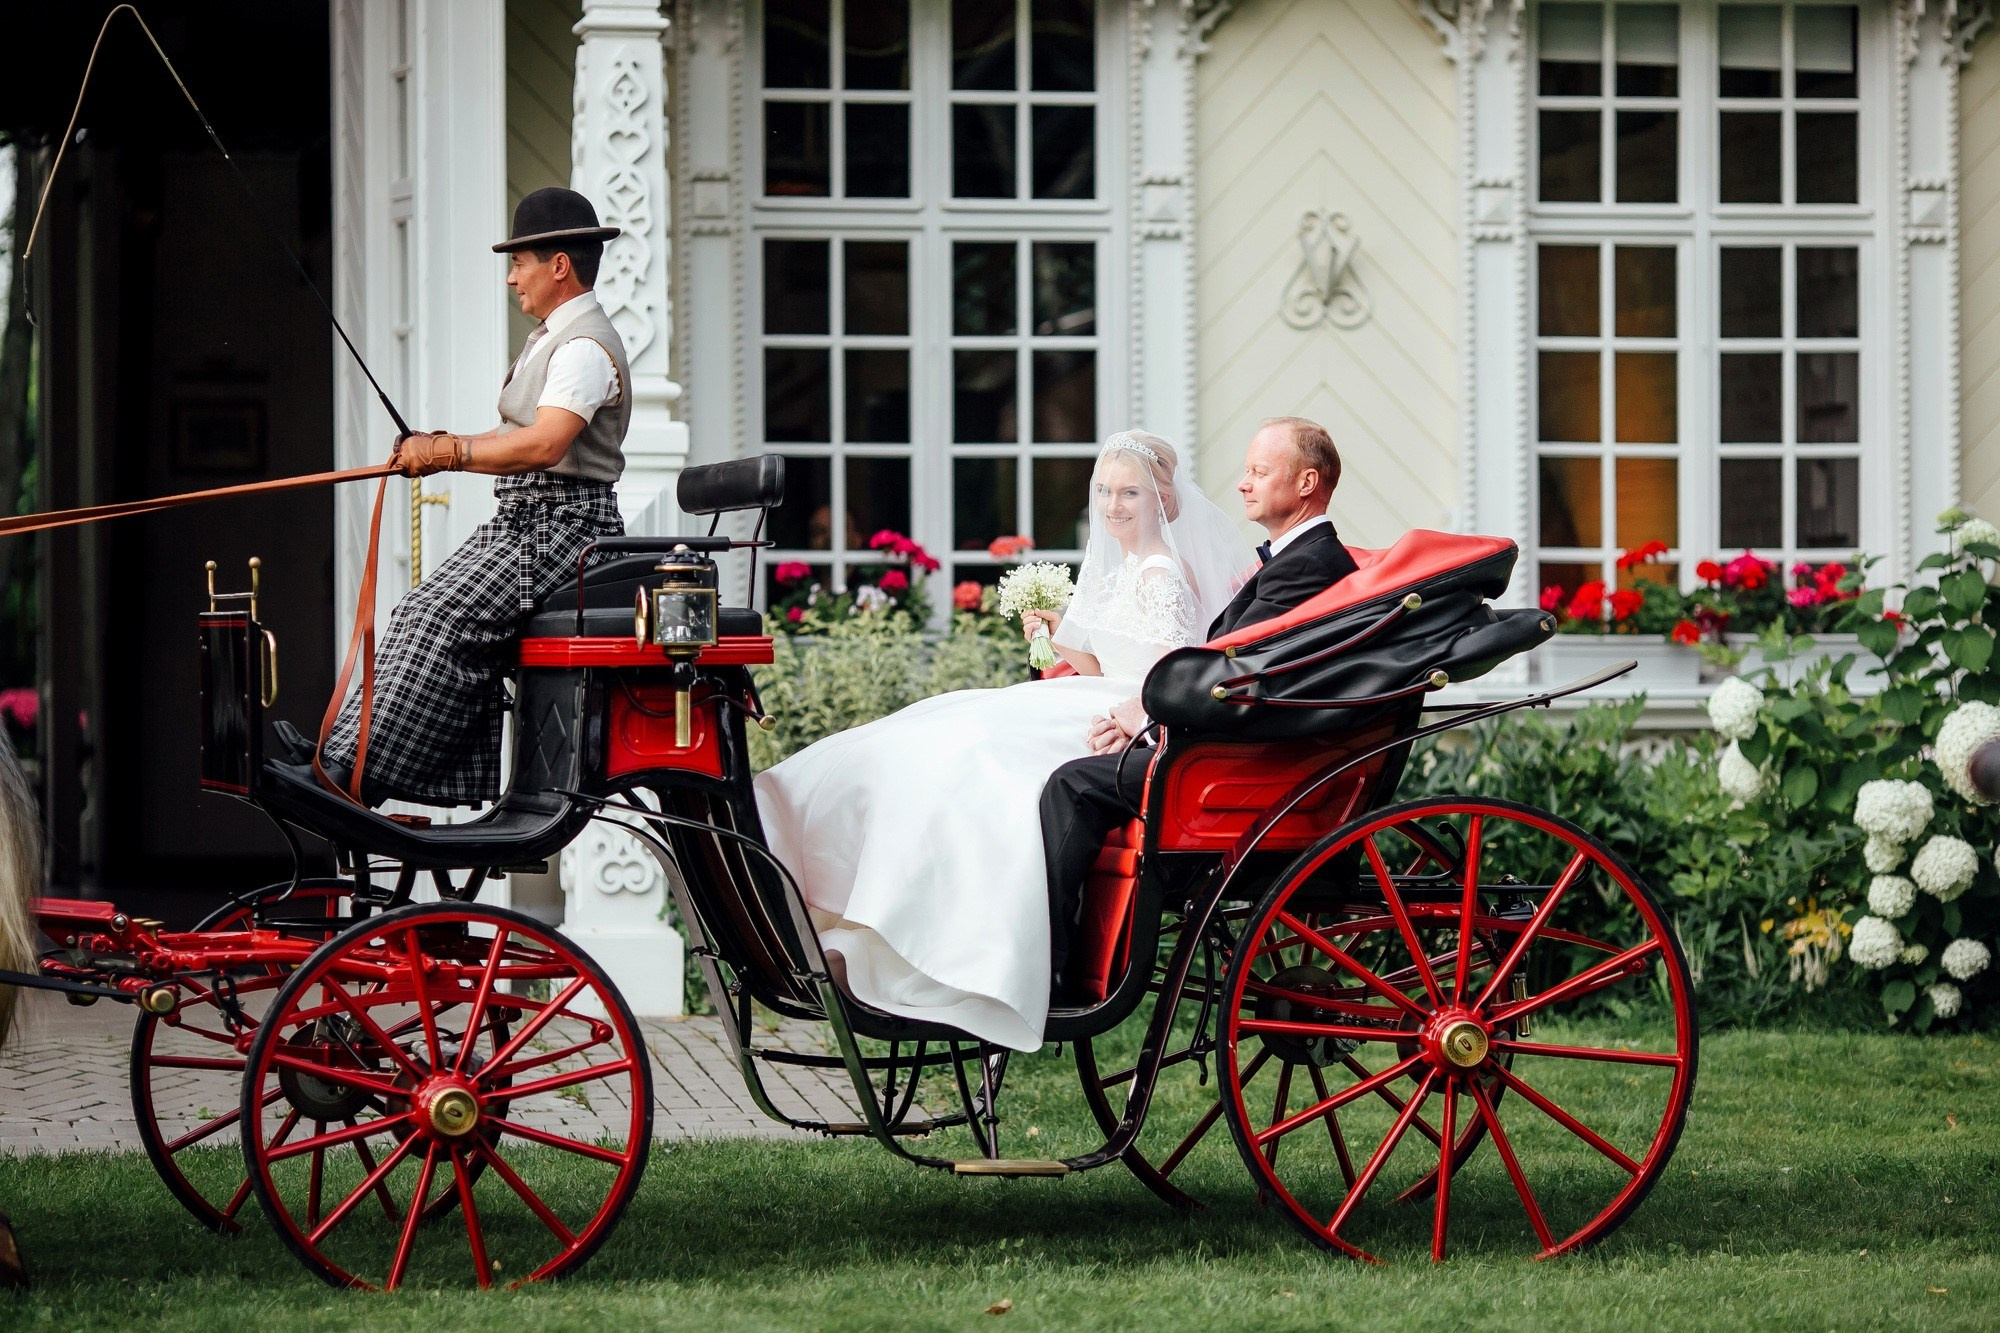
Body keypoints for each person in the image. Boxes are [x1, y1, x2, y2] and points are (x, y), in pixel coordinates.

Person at [755, 432, 1250, 1050]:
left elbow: (1158, 675)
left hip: (1124, 715)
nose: (1114, 505)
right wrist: (1059, 636)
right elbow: (1103, 665)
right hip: (1100, 697)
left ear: (1163, 502)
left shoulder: (1161, 574)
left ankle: (939, 952)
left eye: (1130, 493)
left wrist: (1118, 696)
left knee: (970, 749)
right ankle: (871, 926)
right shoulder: (1124, 569)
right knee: (936, 728)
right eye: (1104, 491)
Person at [310, 188, 630, 805]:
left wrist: (452, 453)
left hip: (566, 529)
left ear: (557, 264)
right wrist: (436, 446)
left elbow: (543, 444)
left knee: (438, 618)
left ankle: (361, 772)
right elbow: (517, 435)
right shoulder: (551, 339)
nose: (512, 278)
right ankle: (340, 756)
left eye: (520, 262)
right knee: (413, 612)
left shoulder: (585, 346)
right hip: (527, 522)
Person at [1039, 416, 1359, 992]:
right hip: (1213, 741)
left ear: (1307, 483)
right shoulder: (1291, 562)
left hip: (1235, 759)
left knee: (1071, 783)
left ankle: (1055, 971)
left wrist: (1146, 710)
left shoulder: (1310, 566)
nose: (1242, 483)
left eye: (1260, 472)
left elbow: (1236, 670)